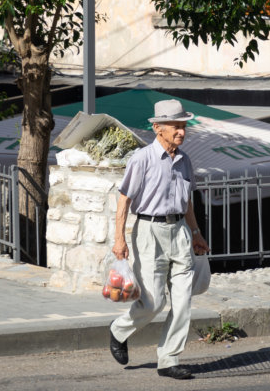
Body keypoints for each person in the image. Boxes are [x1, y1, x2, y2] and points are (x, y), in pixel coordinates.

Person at [108, 99, 210, 380]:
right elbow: (124, 201)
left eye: (183, 126)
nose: (181, 132)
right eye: (175, 127)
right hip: (149, 232)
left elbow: (187, 203)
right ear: (157, 128)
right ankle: (119, 330)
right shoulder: (142, 159)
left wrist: (196, 233)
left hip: (179, 232)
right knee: (153, 302)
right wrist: (119, 239)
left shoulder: (185, 160)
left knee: (182, 301)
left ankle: (168, 359)